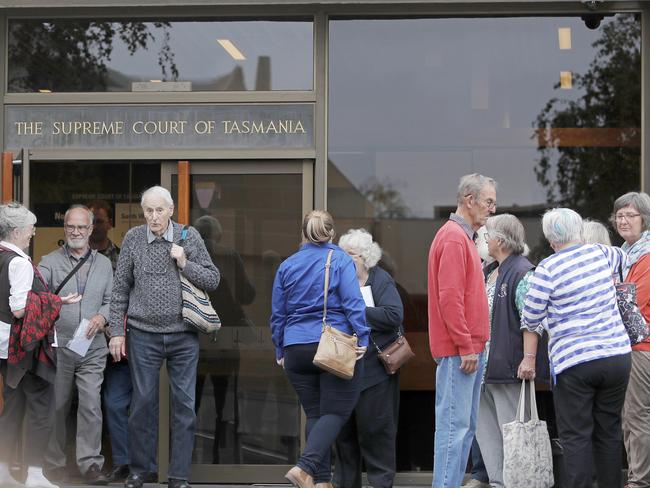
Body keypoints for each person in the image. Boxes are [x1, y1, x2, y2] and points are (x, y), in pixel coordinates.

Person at [107, 186, 220, 488]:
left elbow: (213, 279)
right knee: (142, 405)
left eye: (160, 210)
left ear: (171, 210)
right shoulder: (132, 239)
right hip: (143, 335)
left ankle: (179, 476)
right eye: (148, 211)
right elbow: (119, 290)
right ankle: (140, 470)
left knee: (184, 406)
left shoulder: (189, 237)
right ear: (143, 212)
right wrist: (117, 331)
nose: (154, 217)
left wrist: (185, 262)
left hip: (183, 335)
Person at [519, 207, 631, 488]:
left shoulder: (547, 269)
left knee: (576, 435)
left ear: (549, 238)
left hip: (575, 362)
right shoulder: (603, 254)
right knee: (609, 431)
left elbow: (531, 318)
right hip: (616, 355)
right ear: (579, 231)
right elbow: (626, 257)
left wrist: (529, 358)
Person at [270, 210, 370, 488]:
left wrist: (280, 348)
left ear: (303, 233)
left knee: (317, 414)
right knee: (337, 412)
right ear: (332, 234)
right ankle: (305, 468)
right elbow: (353, 303)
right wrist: (362, 337)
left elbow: (278, 313)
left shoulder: (287, 265)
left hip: (295, 349)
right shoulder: (339, 259)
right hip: (331, 344)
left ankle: (321, 481)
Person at [0, 202, 81, 488]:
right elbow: (20, 308)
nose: (33, 234)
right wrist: (56, 300)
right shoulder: (19, 262)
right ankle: (35, 474)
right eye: (31, 229)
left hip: (5, 347)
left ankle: (4, 471)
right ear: (17, 231)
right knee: (41, 407)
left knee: (13, 406)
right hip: (26, 348)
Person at [427, 173, 496, 488]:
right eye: (488, 202)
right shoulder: (455, 237)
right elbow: (450, 299)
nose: (492, 209)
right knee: (455, 430)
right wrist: (466, 346)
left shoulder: (461, 237)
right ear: (470, 200)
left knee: (462, 428)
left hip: (466, 350)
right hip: (461, 353)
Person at [41, 205, 113, 485]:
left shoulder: (105, 264)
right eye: (71, 226)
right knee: (57, 406)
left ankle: (90, 465)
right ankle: (54, 462)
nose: (76, 232)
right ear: (64, 228)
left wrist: (101, 316)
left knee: (91, 405)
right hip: (59, 347)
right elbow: (38, 299)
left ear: (91, 229)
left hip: (93, 347)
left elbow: (112, 301)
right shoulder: (48, 262)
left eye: (82, 227)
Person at [475, 214, 548, 488]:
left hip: (508, 367)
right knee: (487, 434)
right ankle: (497, 482)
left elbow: (532, 320)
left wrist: (529, 359)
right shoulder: (489, 270)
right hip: (483, 367)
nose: (485, 239)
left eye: (488, 234)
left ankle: (518, 484)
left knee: (514, 435)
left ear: (501, 240)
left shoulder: (522, 271)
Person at [88, 201, 158, 483]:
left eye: (99, 220)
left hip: (135, 342)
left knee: (143, 403)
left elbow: (125, 295)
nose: (94, 226)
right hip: (100, 344)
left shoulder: (120, 255)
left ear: (110, 224)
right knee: (113, 404)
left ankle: (147, 464)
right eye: (90, 220)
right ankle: (123, 461)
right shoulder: (76, 257)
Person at [333, 229, 403, 488]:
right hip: (341, 369)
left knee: (376, 434)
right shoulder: (336, 281)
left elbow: (394, 315)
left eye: (350, 255)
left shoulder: (380, 280)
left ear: (365, 258)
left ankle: (381, 484)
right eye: (342, 255)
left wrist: (358, 310)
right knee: (344, 437)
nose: (345, 260)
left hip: (374, 373)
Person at [193, 215, 256, 464]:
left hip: (195, 342)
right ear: (218, 235)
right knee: (225, 403)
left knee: (191, 401)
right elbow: (248, 295)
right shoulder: (230, 256)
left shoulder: (189, 256)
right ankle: (222, 458)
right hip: (226, 342)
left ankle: (185, 456)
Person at [611, 192, 650, 488]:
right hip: (629, 346)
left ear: (644, 220)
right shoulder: (626, 253)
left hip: (641, 347)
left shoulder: (646, 257)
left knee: (636, 418)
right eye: (619, 215)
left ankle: (639, 481)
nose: (623, 221)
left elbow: (632, 300)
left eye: (630, 215)